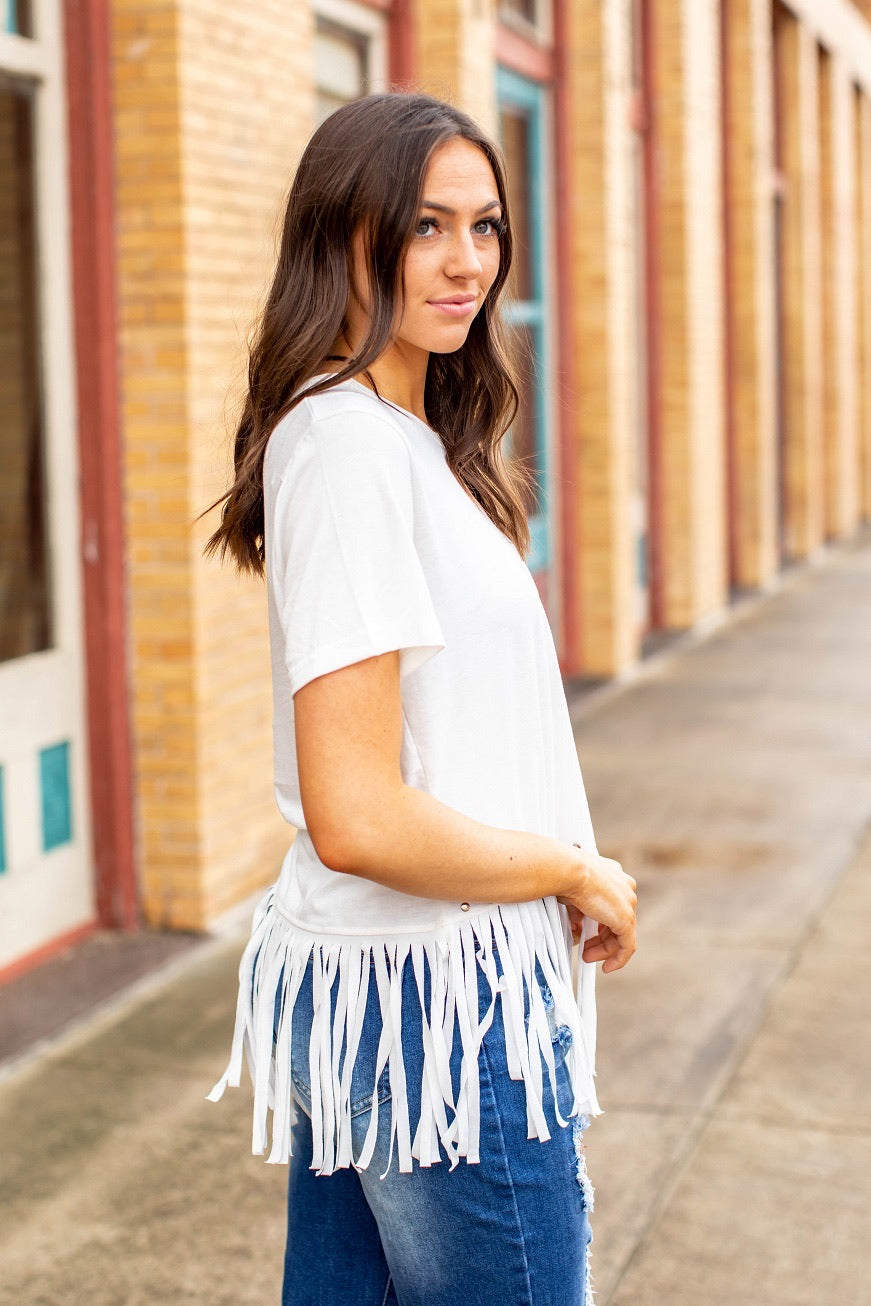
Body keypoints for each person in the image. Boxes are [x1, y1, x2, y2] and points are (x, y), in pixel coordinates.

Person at [203, 90, 637, 1306]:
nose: (466, 263)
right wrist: (571, 870)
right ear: (342, 238)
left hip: (400, 991)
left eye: (486, 225)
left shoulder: (399, 437)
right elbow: (359, 812)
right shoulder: (343, 446)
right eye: (425, 227)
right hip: (440, 1006)